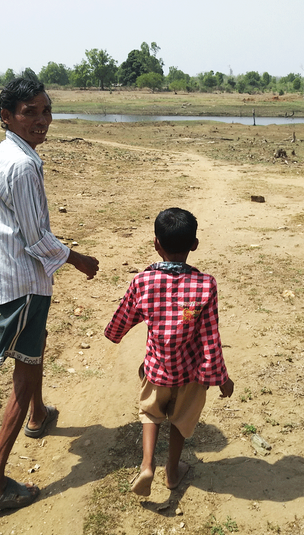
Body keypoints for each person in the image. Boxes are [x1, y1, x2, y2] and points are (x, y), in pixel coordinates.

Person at [0, 75, 99, 514]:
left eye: (46, 111)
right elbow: (37, 238)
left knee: (33, 348)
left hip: (12, 280)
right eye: (30, 112)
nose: (42, 120)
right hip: (22, 285)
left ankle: (40, 417)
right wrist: (79, 260)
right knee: (22, 379)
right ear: (7, 116)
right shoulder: (21, 164)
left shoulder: (9, 152)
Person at [104, 207, 234, 497]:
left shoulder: (143, 282)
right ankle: (172, 472)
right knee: (179, 419)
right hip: (190, 373)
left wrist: (114, 334)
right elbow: (211, 337)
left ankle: (147, 466)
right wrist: (221, 378)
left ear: (156, 243)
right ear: (194, 245)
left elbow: (122, 318)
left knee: (150, 414)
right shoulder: (205, 285)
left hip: (155, 369)